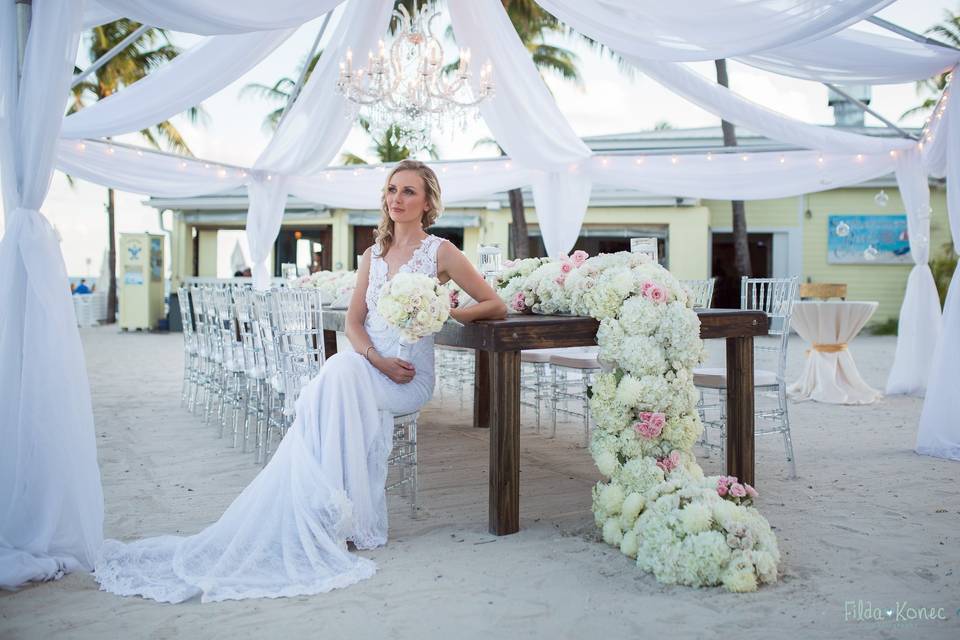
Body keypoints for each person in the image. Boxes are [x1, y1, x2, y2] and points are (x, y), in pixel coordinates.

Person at [94, 160, 507, 603]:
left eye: (408, 191)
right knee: (342, 371)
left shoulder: (441, 252)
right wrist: (376, 359)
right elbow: (353, 324)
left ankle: (332, 516)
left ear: (427, 202)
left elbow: (493, 304)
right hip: (370, 369)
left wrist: (444, 312)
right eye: (391, 190)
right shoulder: (374, 256)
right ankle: (332, 516)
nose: (397, 199)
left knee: (333, 380)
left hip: (409, 378)